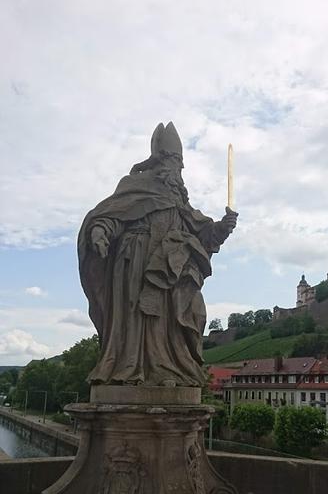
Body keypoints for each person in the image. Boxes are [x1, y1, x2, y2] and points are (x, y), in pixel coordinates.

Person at [78, 122, 237, 387]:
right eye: (173, 160)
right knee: (135, 316)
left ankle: (169, 369)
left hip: (169, 268)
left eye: (180, 162)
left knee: (174, 317)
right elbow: (112, 215)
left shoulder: (180, 200)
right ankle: (128, 368)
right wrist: (100, 232)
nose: (177, 167)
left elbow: (203, 233)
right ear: (158, 160)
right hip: (135, 261)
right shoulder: (136, 185)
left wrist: (222, 227)